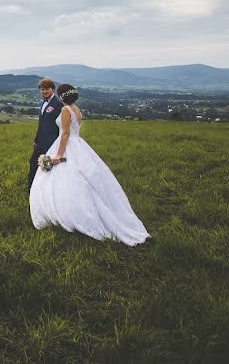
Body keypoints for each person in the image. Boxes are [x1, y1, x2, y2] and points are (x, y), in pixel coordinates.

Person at [29, 83, 150, 246]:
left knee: (66, 179)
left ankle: (67, 213)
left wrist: (58, 154)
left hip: (67, 145)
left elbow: (65, 133)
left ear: (61, 95)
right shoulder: (76, 109)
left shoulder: (65, 110)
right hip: (79, 145)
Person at [29, 78, 63, 193]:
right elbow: (41, 124)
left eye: (47, 89)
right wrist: (36, 140)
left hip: (52, 142)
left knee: (49, 166)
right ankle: (32, 190)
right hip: (41, 142)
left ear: (52, 89)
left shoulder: (58, 104)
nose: (44, 92)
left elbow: (61, 125)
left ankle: (48, 191)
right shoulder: (43, 103)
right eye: (42, 89)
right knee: (33, 162)